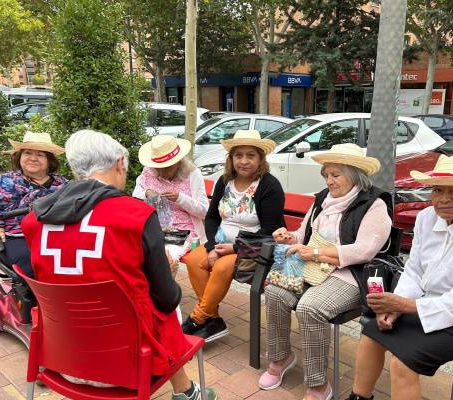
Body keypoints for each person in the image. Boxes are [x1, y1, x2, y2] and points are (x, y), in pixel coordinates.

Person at [21, 130, 216, 400]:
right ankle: (188, 392)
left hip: (62, 357)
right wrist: (166, 276)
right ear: (119, 163)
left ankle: (187, 391)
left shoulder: (34, 220)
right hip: (132, 362)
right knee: (165, 307)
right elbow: (168, 299)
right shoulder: (135, 216)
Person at [347, 154, 453, 400]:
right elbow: (415, 269)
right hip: (427, 305)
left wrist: (405, 306)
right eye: (437, 190)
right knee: (373, 332)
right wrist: (395, 307)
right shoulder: (427, 218)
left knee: (403, 360)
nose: (444, 199)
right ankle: (358, 398)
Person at [259, 143, 392, 400]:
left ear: (354, 174)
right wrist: (289, 238)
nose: (329, 180)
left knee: (310, 307)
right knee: (275, 291)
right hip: (311, 267)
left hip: (349, 275)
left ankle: (319, 385)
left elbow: (365, 250)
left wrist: (318, 253)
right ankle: (281, 358)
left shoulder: (374, 204)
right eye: (326, 175)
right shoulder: (323, 199)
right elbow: (304, 235)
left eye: (335, 174)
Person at [182, 130, 285, 342]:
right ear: (231, 158)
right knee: (194, 260)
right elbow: (211, 218)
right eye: (238, 155)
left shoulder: (269, 186)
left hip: (254, 249)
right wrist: (211, 247)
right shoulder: (224, 181)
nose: (244, 161)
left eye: (251, 156)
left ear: (260, 159)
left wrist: (234, 248)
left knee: (220, 267)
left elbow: (270, 232)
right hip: (221, 242)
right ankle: (213, 319)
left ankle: (199, 317)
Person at [0, 131, 68, 276]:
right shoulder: (6, 182)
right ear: (20, 157)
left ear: (49, 160)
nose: (33, 158)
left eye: (40, 154)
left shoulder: (62, 184)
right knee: (31, 264)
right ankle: (34, 296)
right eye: (28, 153)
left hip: (54, 235)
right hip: (19, 235)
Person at [133, 135, 209, 269]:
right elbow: (134, 197)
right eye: (158, 167)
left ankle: (165, 289)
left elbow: (204, 212)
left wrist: (180, 199)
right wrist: (147, 193)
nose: (161, 172)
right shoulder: (148, 172)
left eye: (167, 167)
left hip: (183, 232)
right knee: (134, 255)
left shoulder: (192, 174)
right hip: (154, 229)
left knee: (166, 259)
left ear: (179, 162)